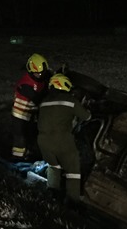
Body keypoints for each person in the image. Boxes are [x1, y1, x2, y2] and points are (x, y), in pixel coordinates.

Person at [36, 73, 91, 203]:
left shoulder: (44, 102)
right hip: (61, 140)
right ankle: (72, 200)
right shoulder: (70, 101)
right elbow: (87, 117)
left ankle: (52, 194)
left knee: (54, 166)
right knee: (73, 170)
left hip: (43, 140)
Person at [11, 53, 51, 161]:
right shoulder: (25, 85)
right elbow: (38, 99)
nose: (40, 75)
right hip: (20, 116)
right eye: (37, 73)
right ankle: (17, 159)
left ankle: (29, 154)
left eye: (42, 72)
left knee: (31, 135)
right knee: (20, 138)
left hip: (31, 114)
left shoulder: (41, 78)